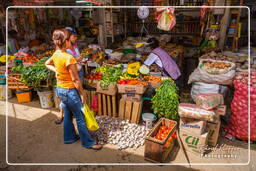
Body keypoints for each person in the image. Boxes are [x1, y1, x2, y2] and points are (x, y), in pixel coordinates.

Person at [45, 29, 102, 150]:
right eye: (69, 38)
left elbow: (47, 63)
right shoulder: (68, 57)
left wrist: (56, 70)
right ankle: (89, 143)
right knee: (80, 117)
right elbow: (76, 80)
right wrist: (82, 94)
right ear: (65, 41)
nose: (72, 40)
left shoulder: (56, 54)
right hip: (70, 91)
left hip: (60, 89)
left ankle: (69, 137)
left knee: (68, 114)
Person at [55, 27, 84, 124]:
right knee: (69, 96)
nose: (75, 38)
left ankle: (70, 115)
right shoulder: (63, 50)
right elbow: (66, 62)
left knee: (73, 95)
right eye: (74, 36)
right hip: (70, 76)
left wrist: (79, 59)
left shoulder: (75, 46)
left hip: (78, 71)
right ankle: (61, 114)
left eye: (76, 36)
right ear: (66, 38)